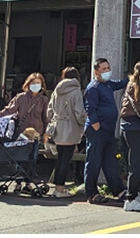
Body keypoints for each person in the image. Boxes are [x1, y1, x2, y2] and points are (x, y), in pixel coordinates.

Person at [83, 58, 128, 205]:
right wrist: (96, 125)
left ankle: (118, 190)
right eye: (104, 69)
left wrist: (133, 77)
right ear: (96, 72)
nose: (107, 71)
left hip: (108, 130)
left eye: (108, 68)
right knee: (94, 162)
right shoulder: (93, 87)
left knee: (110, 162)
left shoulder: (107, 84)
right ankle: (91, 193)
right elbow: (90, 108)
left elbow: (120, 84)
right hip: (97, 130)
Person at [47, 67, 87, 198]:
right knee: (66, 159)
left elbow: (49, 112)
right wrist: (84, 124)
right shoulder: (76, 92)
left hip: (58, 129)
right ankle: (60, 188)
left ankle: (57, 187)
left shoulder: (56, 91)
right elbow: (80, 113)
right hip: (71, 129)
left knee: (60, 159)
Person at [119, 61, 140, 212]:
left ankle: (132, 193)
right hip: (137, 128)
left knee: (130, 163)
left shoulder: (130, 86)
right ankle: (131, 198)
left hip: (125, 127)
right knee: (137, 164)